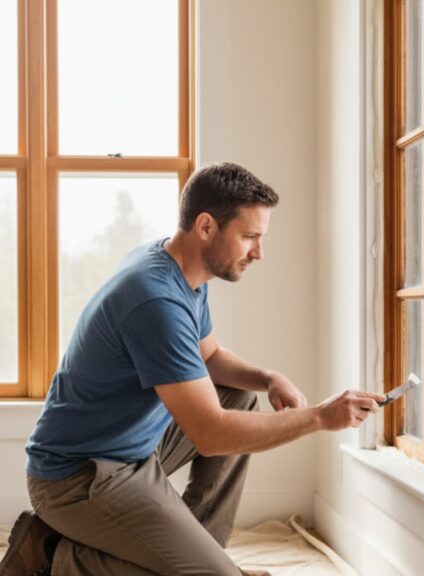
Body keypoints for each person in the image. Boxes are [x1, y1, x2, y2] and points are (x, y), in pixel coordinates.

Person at [0, 162, 384, 576]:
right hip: (78, 479)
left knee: (239, 396)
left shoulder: (183, 271)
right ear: (206, 227)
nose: (258, 252)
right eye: (250, 237)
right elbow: (211, 434)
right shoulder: (155, 300)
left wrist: (267, 377)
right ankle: (51, 556)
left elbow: (210, 356)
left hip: (129, 449)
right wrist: (320, 418)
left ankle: (200, 553)